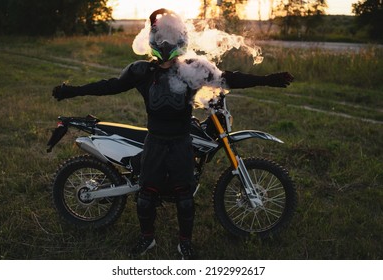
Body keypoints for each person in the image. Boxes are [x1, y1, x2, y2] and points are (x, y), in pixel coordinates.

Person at [52, 8, 294, 260]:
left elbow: (229, 79)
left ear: (181, 40)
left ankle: (184, 244)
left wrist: (268, 79)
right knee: (145, 196)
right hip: (155, 141)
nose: (166, 46)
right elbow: (109, 86)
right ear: (153, 41)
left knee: (185, 198)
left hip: (180, 142)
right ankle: (147, 239)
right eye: (161, 39)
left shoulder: (193, 69)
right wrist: (72, 91)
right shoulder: (141, 71)